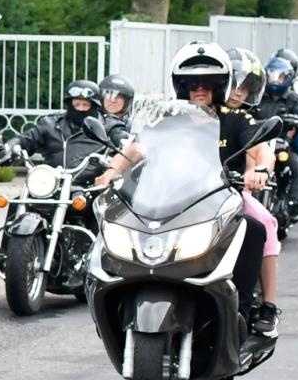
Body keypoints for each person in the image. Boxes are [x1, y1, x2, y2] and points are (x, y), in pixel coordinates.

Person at [97, 42, 279, 337]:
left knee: (260, 226)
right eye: (193, 84)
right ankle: (113, 294)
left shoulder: (234, 118)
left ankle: (258, 307)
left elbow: (260, 150)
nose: (200, 90)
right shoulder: (167, 119)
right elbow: (137, 148)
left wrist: (260, 171)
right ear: (181, 87)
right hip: (169, 198)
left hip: (221, 198)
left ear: (220, 87)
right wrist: (111, 172)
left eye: (208, 84)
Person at [2, 79, 126, 169]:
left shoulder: (107, 124)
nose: (81, 109)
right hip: (51, 182)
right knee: (16, 203)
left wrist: (123, 141)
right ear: (69, 104)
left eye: (86, 105)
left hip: (92, 186)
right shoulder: (50, 123)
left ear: (94, 106)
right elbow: (27, 139)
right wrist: (10, 146)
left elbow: (122, 137)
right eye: (76, 104)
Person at [257, 55, 298, 214]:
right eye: (272, 76)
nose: (275, 81)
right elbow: (248, 108)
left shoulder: (294, 97)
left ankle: (296, 200)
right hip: (260, 143)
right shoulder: (259, 96)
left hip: (283, 143)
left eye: (280, 77)